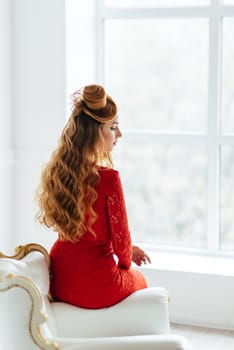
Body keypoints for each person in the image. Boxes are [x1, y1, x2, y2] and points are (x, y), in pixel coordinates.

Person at [36, 84, 151, 309]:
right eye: (113, 128)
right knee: (140, 280)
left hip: (60, 281)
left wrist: (128, 249)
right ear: (96, 132)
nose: (119, 134)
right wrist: (126, 261)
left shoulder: (59, 172)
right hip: (97, 285)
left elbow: (84, 234)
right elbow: (121, 245)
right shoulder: (108, 178)